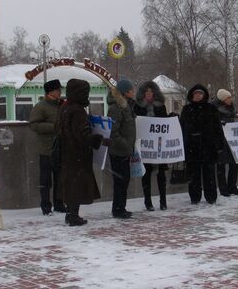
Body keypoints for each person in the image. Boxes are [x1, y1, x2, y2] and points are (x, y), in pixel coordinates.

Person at [57, 79, 104, 226]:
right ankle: (73, 216)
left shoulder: (64, 107)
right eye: (86, 93)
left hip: (66, 153)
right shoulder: (77, 110)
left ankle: (71, 214)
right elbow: (82, 135)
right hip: (78, 154)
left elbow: (57, 128)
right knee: (76, 186)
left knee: (70, 184)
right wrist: (95, 139)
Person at [180, 84, 225, 204]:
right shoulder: (186, 110)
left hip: (208, 147)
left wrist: (219, 144)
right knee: (193, 175)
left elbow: (217, 127)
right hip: (191, 148)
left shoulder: (211, 109)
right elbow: (181, 128)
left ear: (204, 95)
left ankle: (211, 196)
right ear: (192, 96)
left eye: (200, 94)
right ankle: (195, 197)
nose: (198, 96)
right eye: (195, 94)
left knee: (209, 174)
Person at [29, 79, 66, 215]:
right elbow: (33, 125)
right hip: (46, 149)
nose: (60, 92)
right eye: (58, 90)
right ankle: (46, 206)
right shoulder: (40, 107)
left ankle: (59, 204)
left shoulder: (61, 105)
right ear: (51, 92)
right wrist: (53, 127)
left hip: (60, 148)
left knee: (60, 179)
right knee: (45, 180)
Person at [134, 80, 169, 211]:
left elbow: (165, 123)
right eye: (146, 91)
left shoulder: (161, 106)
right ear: (143, 93)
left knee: (161, 173)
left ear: (154, 93)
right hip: (145, 145)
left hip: (159, 144)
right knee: (146, 173)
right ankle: (148, 201)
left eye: (151, 91)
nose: (149, 94)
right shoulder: (138, 106)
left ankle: (163, 201)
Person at [107, 79, 137, 219]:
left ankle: (121, 207)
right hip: (118, 151)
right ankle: (118, 209)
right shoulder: (116, 108)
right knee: (120, 181)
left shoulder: (127, 106)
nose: (133, 92)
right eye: (131, 90)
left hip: (125, 150)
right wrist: (125, 144)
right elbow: (113, 132)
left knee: (124, 181)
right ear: (125, 92)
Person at [211, 89, 238, 196]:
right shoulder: (214, 109)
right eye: (228, 98)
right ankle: (223, 189)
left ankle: (232, 186)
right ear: (223, 99)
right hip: (220, 139)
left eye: (230, 98)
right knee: (221, 165)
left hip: (232, 139)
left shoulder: (231, 109)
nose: (230, 100)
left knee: (234, 163)